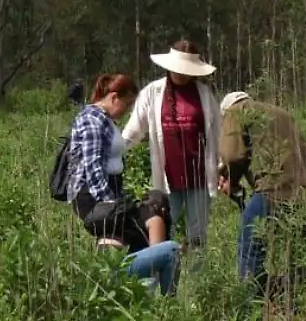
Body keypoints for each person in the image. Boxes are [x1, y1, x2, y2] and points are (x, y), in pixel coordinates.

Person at [65, 73, 182, 296]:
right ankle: (152, 287)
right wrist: (113, 206)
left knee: (155, 208)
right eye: (127, 104)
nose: (128, 110)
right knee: (154, 216)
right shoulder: (92, 119)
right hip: (96, 202)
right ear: (113, 97)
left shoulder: (105, 120)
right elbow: (93, 167)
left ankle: (143, 289)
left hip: (108, 197)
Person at [120, 40, 221, 251]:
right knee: (163, 230)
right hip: (167, 177)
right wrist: (112, 152)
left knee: (198, 234)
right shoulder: (153, 92)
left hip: (199, 176)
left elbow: (216, 134)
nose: (181, 74)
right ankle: (165, 276)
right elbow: (134, 130)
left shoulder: (204, 95)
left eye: (186, 70)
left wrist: (222, 168)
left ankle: (196, 278)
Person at [218, 90, 306, 294]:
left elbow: (232, 155)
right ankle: (297, 298)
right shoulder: (280, 113)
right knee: (299, 253)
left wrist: (228, 177)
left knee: (249, 247)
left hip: (276, 188)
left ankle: (252, 303)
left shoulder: (236, 111)